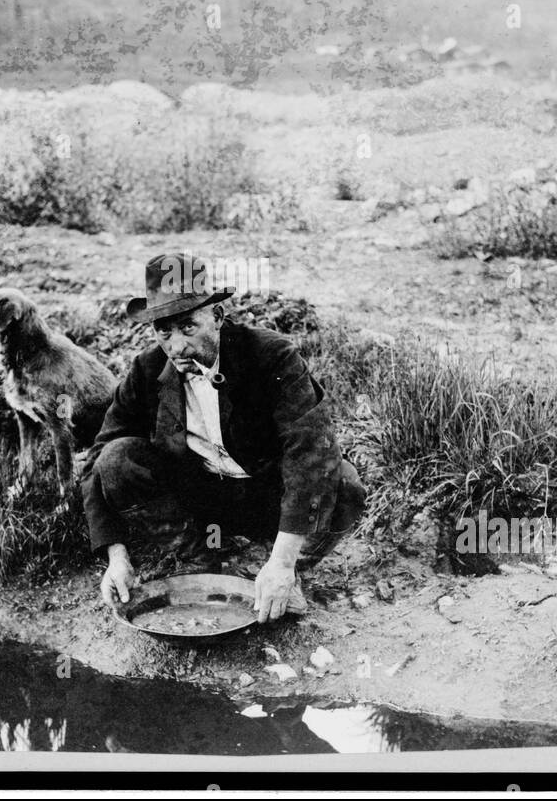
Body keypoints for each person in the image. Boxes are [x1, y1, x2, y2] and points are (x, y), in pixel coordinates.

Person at [81, 252, 366, 622]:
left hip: (267, 496)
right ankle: (198, 560)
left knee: (345, 482)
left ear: (217, 317)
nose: (177, 347)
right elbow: (97, 459)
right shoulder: (147, 369)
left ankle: (285, 571)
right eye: (163, 331)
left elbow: (311, 450)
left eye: (187, 327)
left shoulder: (271, 356)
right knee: (117, 459)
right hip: (200, 500)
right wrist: (116, 557)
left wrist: (282, 560)